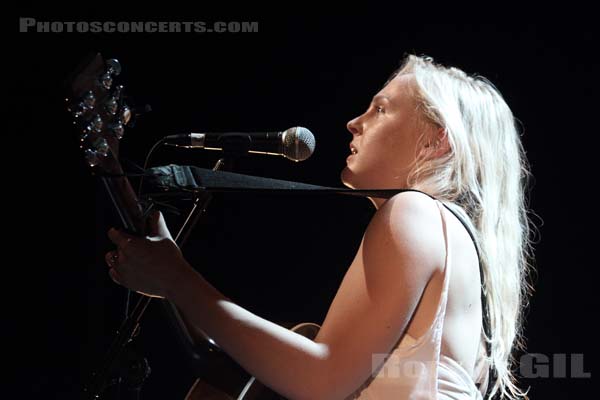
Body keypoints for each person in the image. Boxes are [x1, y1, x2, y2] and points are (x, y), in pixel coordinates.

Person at [105, 54, 535, 399]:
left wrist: (178, 281)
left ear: (436, 139)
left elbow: (320, 378)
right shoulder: (456, 241)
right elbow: (252, 372)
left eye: (380, 109)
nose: (354, 123)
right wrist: (173, 276)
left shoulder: (413, 212)